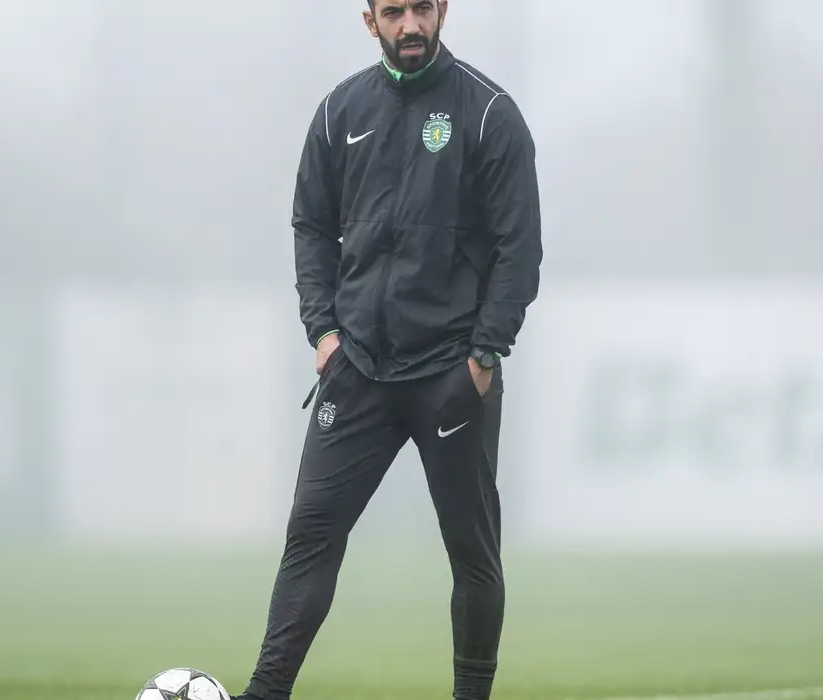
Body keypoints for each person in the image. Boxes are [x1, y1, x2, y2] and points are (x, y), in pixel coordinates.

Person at [232, 1, 542, 699]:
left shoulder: (489, 114)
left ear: (442, 11)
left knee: (471, 551)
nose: (411, 25)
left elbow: (519, 248)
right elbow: (311, 225)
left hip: (451, 373)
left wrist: (483, 355)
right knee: (310, 533)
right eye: (394, 11)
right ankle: (266, 692)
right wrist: (323, 331)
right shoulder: (339, 112)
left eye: (422, 8)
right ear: (369, 20)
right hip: (359, 368)